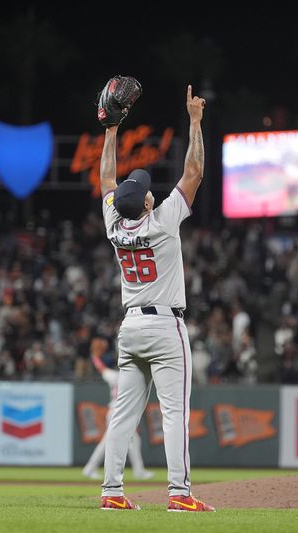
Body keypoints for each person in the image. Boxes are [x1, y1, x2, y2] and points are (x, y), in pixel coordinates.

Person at [98, 85, 215, 512]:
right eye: (145, 188)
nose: (147, 188)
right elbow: (195, 173)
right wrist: (196, 121)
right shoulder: (163, 221)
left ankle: (111, 491)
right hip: (165, 326)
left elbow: (106, 179)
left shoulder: (115, 225)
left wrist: (111, 129)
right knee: (174, 414)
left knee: (123, 415)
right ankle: (180, 495)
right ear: (146, 202)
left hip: (130, 327)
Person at [82, 337, 153, 481]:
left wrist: (95, 357)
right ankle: (90, 469)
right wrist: (95, 356)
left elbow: (101, 368)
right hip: (117, 412)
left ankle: (90, 468)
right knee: (113, 442)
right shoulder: (121, 376)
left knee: (130, 441)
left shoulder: (116, 375)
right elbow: (102, 368)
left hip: (119, 411)